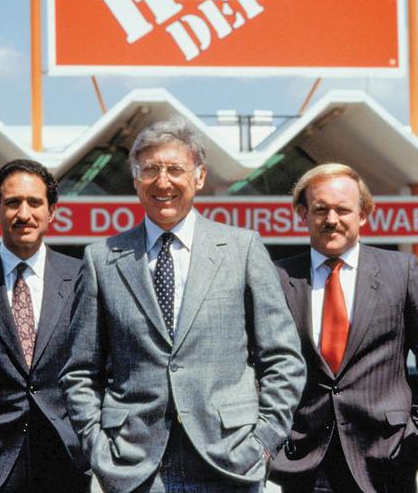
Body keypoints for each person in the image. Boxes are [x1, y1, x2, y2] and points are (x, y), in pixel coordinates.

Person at [60, 116, 305, 493]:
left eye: (175, 169)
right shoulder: (102, 258)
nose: (163, 182)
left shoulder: (242, 249)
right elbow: (80, 370)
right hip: (134, 465)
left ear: (200, 176)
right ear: (135, 180)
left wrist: (263, 442)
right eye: (151, 170)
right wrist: (97, 446)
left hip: (228, 460)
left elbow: (283, 358)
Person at [269, 163, 418, 493]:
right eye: (320, 209)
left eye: (342, 209)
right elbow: (258, 365)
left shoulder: (401, 271)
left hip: (387, 457)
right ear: (302, 214)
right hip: (304, 460)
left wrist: (416, 433)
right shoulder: (277, 278)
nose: (331, 219)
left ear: (363, 214)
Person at [0, 159, 90, 493]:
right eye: (12, 203)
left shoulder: (83, 278)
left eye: (35, 202)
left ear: (52, 211)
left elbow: (98, 364)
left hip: (66, 456)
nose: (24, 214)